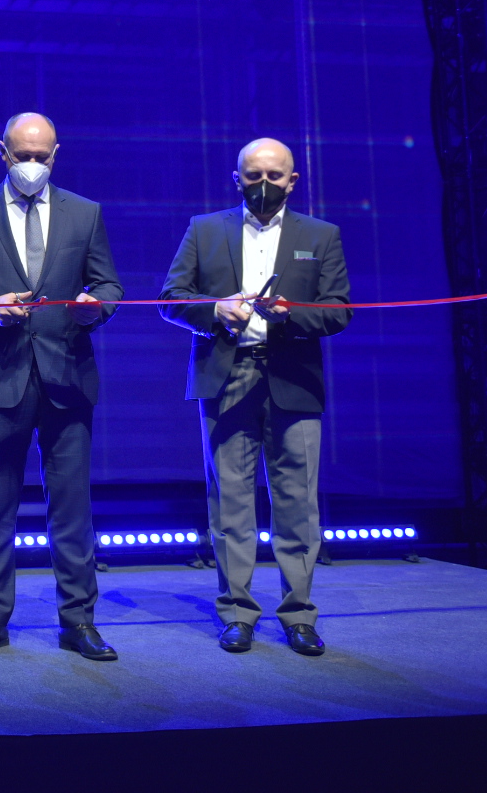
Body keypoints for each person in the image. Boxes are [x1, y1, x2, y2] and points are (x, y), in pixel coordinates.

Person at [0, 112, 123, 662]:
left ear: (55, 154)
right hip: (0, 374)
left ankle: (78, 621)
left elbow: (109, 285)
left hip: (68, 376)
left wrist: (96, 307)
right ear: (3, 153)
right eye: (23, 156)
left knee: (73, 507)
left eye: (42, 156)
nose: (33, 165)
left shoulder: (85, 212)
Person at [158, 137, 351, 657]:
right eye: (253, 175)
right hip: (227, 375)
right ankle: (237, 613)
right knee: (230, 502)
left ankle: (299, 615)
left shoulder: (321, 234)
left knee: (298, 504)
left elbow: (338, 310)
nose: (264, 184)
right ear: (237, 178)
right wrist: (215, 309)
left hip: (294, 377)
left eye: (274, 176)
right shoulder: (205, 229)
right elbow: (170, 299)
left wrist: (292, 314)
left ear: (293, 180)